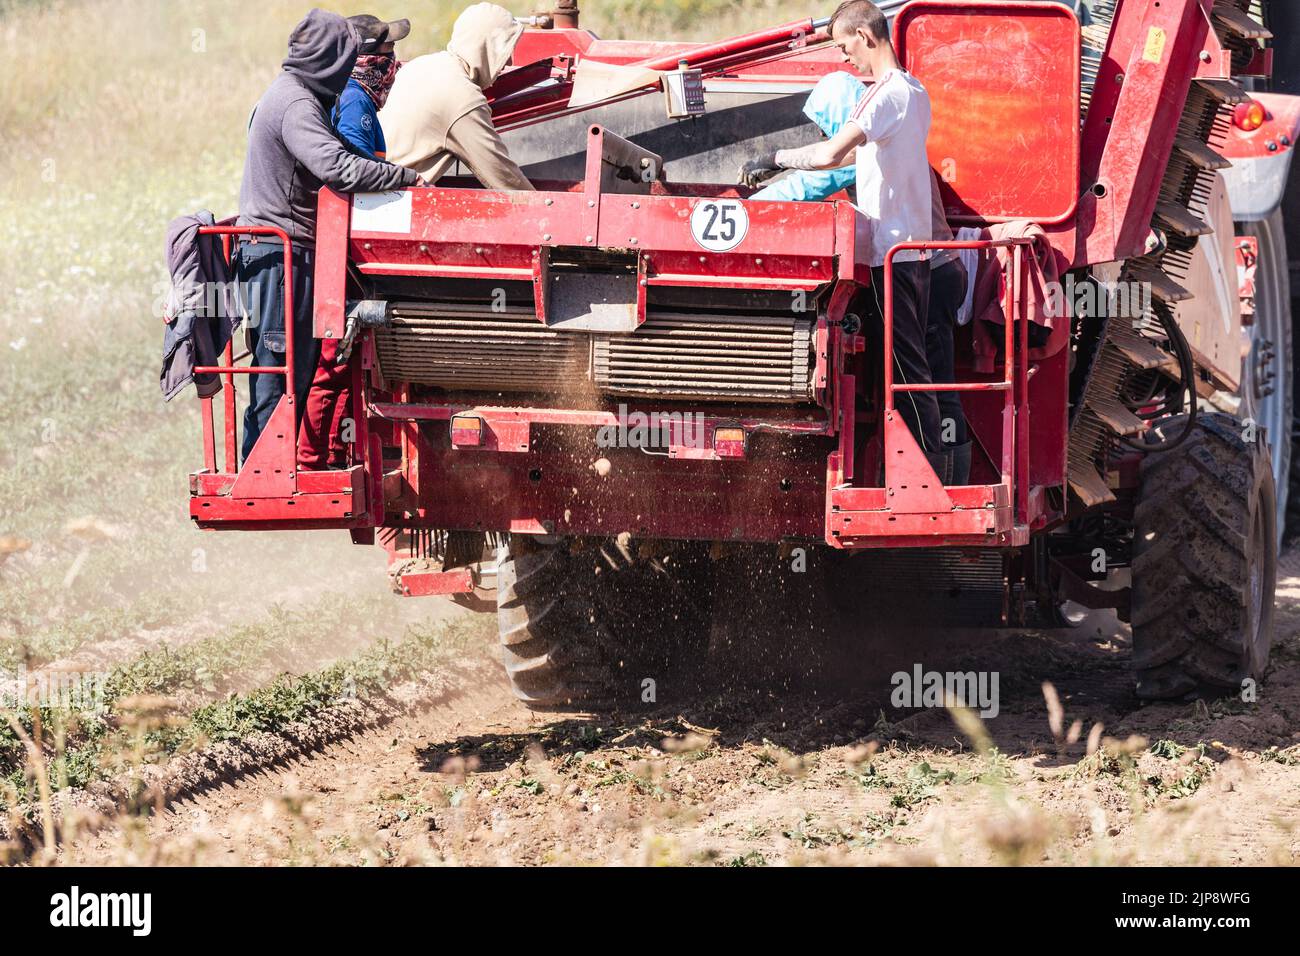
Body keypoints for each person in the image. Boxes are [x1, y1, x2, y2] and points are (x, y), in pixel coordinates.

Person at [740, 0, 941, 474]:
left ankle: (927, 475)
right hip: (912, 254)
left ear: (866, 37)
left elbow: (832, 155)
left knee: (904, 373)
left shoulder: (882, 95)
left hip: (891, 256)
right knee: (910, 369)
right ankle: (930, 466)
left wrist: (774, 158)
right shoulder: (915, 92)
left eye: (843, 44)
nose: (843, 56)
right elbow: (858, 163)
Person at [236, 8, 420, 462]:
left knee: (285, 364)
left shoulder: (292, 96)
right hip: (280, 255)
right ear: (331, 59)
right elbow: (336, 167)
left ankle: (268, 465)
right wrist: (405, 178)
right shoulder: (296, 105)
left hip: (278, 252)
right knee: (280, 364)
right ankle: (263, 467)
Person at [298, 12, 411, 471]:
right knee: (335, 352)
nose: (394, 64)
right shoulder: (354, 103)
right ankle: (308, 458)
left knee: (344, 357)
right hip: (341, 251)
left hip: (340, 247)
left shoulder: (352, 98)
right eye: (387, 54)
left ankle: (335, 454)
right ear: (364, 60)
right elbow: (355, 175)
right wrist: (409, 181)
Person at [379, 3, 535, 190]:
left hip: (372, 186)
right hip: (389, 200)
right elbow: (503, 176)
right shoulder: (463, 97)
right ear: (486, 46)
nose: (509, 61)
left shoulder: (423, 64)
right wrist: (545, 209)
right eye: (505, 51)